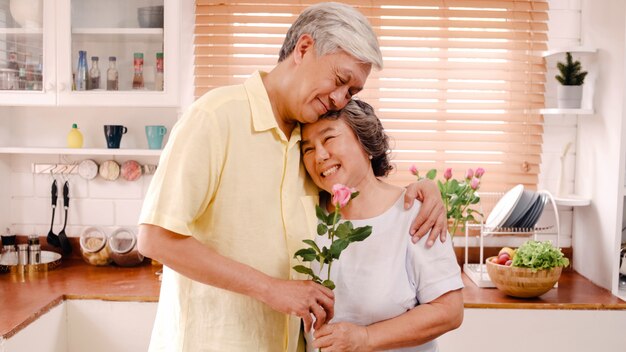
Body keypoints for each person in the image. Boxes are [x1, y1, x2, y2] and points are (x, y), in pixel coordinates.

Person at [137, 3, 447, 352]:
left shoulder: (309, 142)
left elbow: (362, 189)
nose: (339, 99)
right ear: (303, 49)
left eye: (351, 93)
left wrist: (425, 191)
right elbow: (155, 239)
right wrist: (269, 288)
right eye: (340, 81)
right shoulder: (216, 117)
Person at [301, 99, 464, 352]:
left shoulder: (415, 213)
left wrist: (365, 338)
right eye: (307, 149)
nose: (320, 155)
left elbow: (449, 311)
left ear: (366, 143)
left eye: (329, 138)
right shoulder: (306, 214)